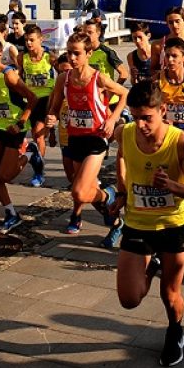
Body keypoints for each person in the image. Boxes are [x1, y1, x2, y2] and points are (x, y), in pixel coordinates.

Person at [113, 80, 184, 367]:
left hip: (174, 224)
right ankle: (152, 266)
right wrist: (123, 191)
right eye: (135, 117)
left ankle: (175, 333)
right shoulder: (124, 134)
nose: (140, 124)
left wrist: (173, 186)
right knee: (129, 299)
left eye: (147, 118)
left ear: (163, 110)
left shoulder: (182, 143)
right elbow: (122, 157)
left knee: (170, 293)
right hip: (138, 223)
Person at [46, 31, 129, 242]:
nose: (72, 58)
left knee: (80, 192)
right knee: (86, 188)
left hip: (96, 138)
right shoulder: (63, 79)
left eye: (76, 54)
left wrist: (112, 119)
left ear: (89, 53)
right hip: (75, 138)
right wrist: (52, 119)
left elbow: (124, 94)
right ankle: (116, 222)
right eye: (69, 53)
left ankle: (110, 194)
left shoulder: (98, 78)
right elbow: (55, 108)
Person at [0, 37, 39, 233]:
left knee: (5, 175)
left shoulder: (9, 76)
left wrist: (20, 123)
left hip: (14, 127)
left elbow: (32, 98)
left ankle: (30, 153)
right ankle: (11, 213)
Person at [18, 23, 56, 187]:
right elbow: (19, 78)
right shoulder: (22, 57)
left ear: (41, 40)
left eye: (32, 40)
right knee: (34, 135)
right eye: (26, 40)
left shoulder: (50, 57)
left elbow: (62, 74)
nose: (29, 43)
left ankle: (39, 172)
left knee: (38, 135)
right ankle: (51, 131)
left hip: (47, 98)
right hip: (30, 100)